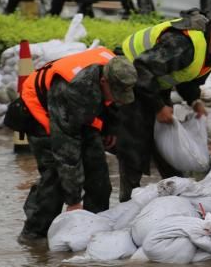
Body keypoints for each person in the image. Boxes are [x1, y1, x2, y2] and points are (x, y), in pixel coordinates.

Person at [116, 6, 211, 201]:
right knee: (136, 141)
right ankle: (128, 199)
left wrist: (194, 101)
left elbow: (186, 77)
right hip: (127, 78)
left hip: (153, 81)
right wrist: (158, 107)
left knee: (165, 135)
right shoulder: (183, 43)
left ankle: (176, 189)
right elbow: (141, 69)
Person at [14, 48, 138, 243]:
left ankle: (92, 230)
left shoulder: (118, 69)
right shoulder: (72, 89)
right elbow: (66, 152)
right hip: (42, 112)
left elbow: (115, 103)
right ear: (104, 82)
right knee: (56, 176)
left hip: (83, 110)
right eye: (114, 93)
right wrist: (73, 201)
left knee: (99, 176)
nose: (116, 97)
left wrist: (110, 129)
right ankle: (34, 234)